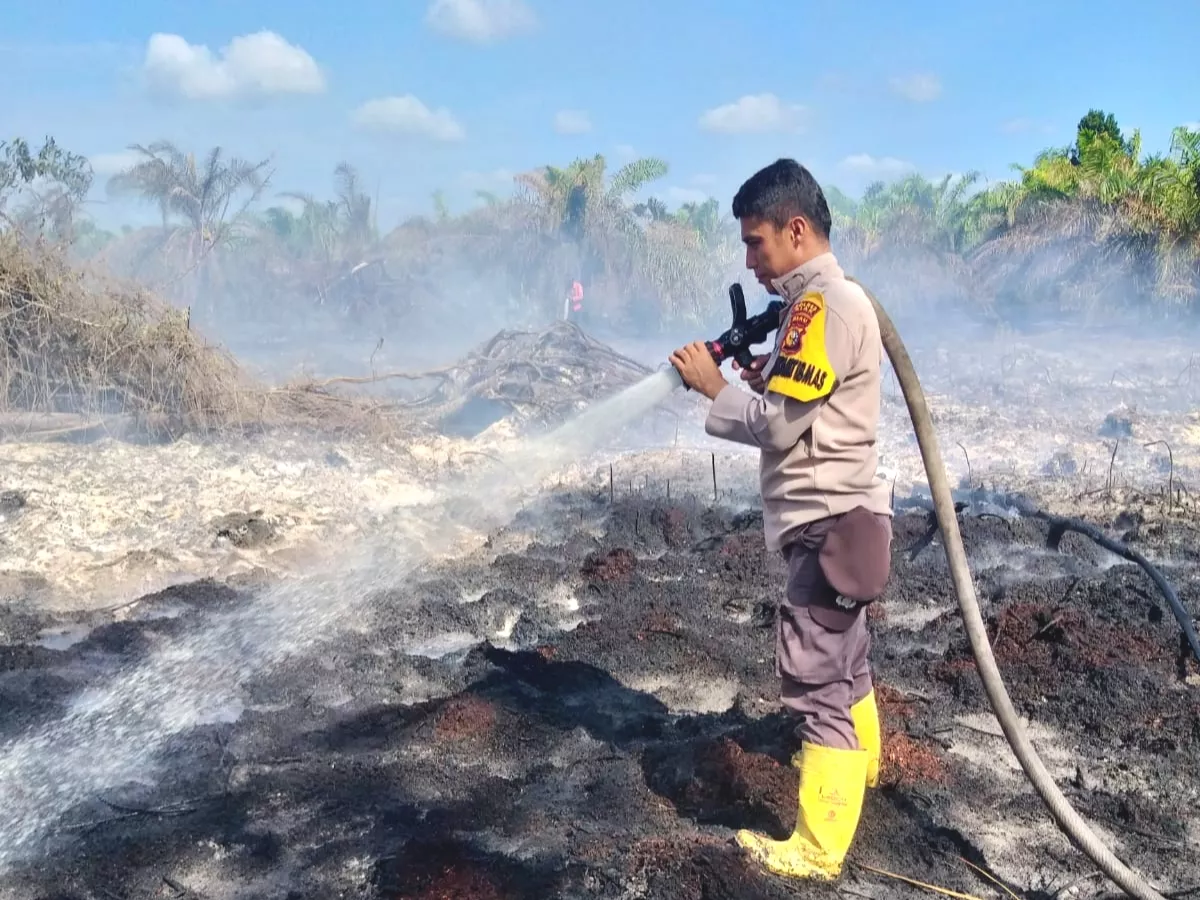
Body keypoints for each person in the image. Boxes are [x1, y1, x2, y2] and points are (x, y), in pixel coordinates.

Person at [668, 158, 893, 881]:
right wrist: (763, 376)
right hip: (852, 524)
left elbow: (780, 430)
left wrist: (712, 388)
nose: (749, 261)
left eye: (757, 242)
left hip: (825, 526)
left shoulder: (823, 305)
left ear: (796, 231)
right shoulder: (828, 305)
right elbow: (805, 400)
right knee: (848, 664)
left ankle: (818, 850)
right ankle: (860, 774)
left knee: (815, 680)